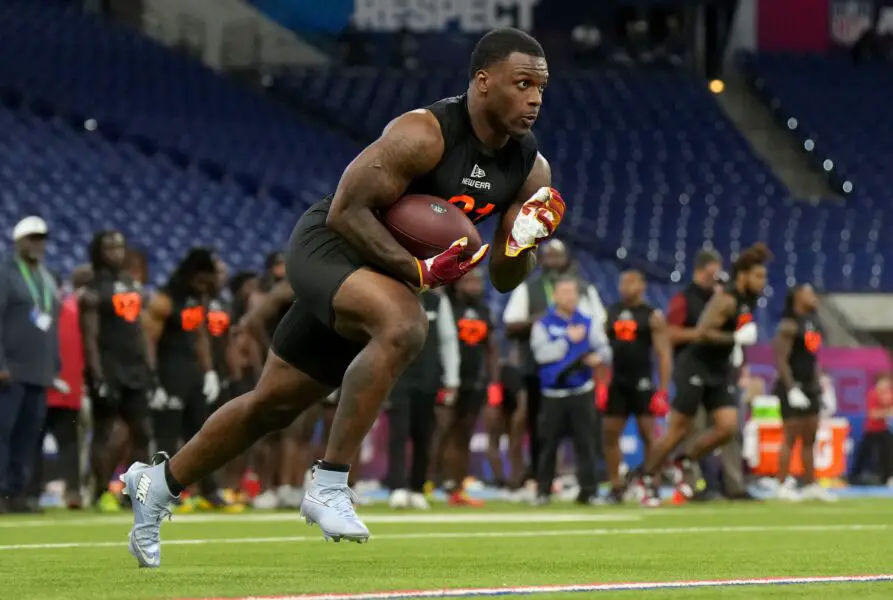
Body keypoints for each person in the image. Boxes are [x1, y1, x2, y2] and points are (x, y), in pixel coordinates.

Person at [122, 27, 563, 564]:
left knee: (272, 405)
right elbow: (345, 212)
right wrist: (417, 271)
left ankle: (157, 486)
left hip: (388, 275)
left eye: (540, 87)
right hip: (331, 247)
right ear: (483, 81)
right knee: (404, 327)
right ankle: (329, 483)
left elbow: (503, 277)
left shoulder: (530, 167)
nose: (535, 98)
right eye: (522, 84)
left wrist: (523, 242)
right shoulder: (423, 133)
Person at [637, 243, 771, 507]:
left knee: (728, 427)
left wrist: (735, 350)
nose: (762, 282)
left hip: (718, 370)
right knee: (677, 430)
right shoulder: (726, 298)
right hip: (695, 367)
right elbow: (702, 332)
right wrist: (734, 338)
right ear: (742, 276)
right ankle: (645, 478)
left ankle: (684, 460)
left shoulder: (747, 299)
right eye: (757, 276)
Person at [503, 238, 605, 485]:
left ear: (567, 259)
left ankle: (588, 484)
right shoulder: (529, 288)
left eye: (559, 256)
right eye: (549, 256)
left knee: (586, 432)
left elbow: (600, 325)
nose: (554, 261)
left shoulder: (585, 289)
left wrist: (597, 355)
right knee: (541, 430)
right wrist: (542, 319)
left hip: (580, 374)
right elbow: (511, 323)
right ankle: (540, 480)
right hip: (539, 373)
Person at [141, 248, 233, 511]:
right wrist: (153, 380)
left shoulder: (195, 300)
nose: (204, 285)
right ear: (190, 275)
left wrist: (209, 372)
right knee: (166, 437)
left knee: (202, 434)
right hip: (169, 373)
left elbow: (199, 337)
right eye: (201, 279)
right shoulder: (165, 299)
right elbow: (149, 340)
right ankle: (157, 493)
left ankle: (210, 490)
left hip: (192, 374)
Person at [81, 231, 153, 511]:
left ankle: (135, 492)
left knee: (142, 432)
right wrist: (96, 374)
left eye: (120, 247)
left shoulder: (131, 284)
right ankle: (99, 491)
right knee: (106, 431)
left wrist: (149, 366)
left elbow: (140, 330)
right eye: (109, 247)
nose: (116, 252)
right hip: (109, 368)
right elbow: (90, 336)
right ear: (98, 252)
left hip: (135, 368)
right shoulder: (92, 289)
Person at [531, 276, 611, 505]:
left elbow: (604, 348)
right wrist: (567, 339)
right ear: (555, 296)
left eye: (572, 292)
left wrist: (599, 357)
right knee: (548, 445)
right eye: (563, 292)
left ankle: (589, 491)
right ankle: (543, 492)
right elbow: (542, 355)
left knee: (586, 444)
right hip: (552, 394)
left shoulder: (588, 321)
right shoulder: (543, 324)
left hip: (581, 391)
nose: (568, 297)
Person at [0, 217, 62, 514]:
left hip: (39, 371)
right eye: (31, 238)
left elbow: (51, 325)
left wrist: (55, 366)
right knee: (3, 432)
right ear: (18, 241)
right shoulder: (5, 272)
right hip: (10, 370)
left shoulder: (48, 277)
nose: (37, 244)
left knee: (28, 436)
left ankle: (15, 493)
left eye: (41, 238)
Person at [601, 270, 671, 503]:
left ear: (642, 286)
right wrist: (601, 383)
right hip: (617, 382)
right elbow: (601, 351)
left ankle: (652, 483)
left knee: (649, 435)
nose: (625, 287)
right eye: (622, 282)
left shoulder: (652, 316)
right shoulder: (610, 313)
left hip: (641, 382)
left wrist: (662, 390)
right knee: (610, 433)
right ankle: (616, 486)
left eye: (631, 282)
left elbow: (663, 355)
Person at [386, 290, 459, 510]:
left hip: (428, 378)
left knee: (423, 435)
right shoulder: (392, 295)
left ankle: (417, 487)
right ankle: (397, 486)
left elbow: (448, 340)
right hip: (397, 375)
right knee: (398, 433)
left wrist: (452, 379)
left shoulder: (438, 301)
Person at [772, 283, 835, 502]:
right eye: (808, 292)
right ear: (797, 296)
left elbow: (812, 357)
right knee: (790, 435)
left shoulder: (814, 323)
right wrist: (790, 388)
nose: (813, 296)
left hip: (810, 386)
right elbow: (781, 359)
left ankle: (810, 484)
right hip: (793, 386)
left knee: (811, 436)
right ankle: (781, 484)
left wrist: (819, 383)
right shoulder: (789, 325)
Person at [442, 269, 497, 506]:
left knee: (464, 434)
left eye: (478, 281)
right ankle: (428, 482)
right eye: (469, 281)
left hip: (475, 381)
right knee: (441, 432)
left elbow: (491, 350)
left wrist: (493, 381)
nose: (474, 286)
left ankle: (457, 486)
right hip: (449, 381)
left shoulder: (484, 312)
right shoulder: (448, 309)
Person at [850, 374, 893, 485]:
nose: (887, 386)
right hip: (871, 430)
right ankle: (853, 476)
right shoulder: (872, 394)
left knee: (888, 452)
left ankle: (888, 477)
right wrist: (887, 412)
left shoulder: (888, 394)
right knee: (863, 453)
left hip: (883, 428)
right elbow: (872, 414)